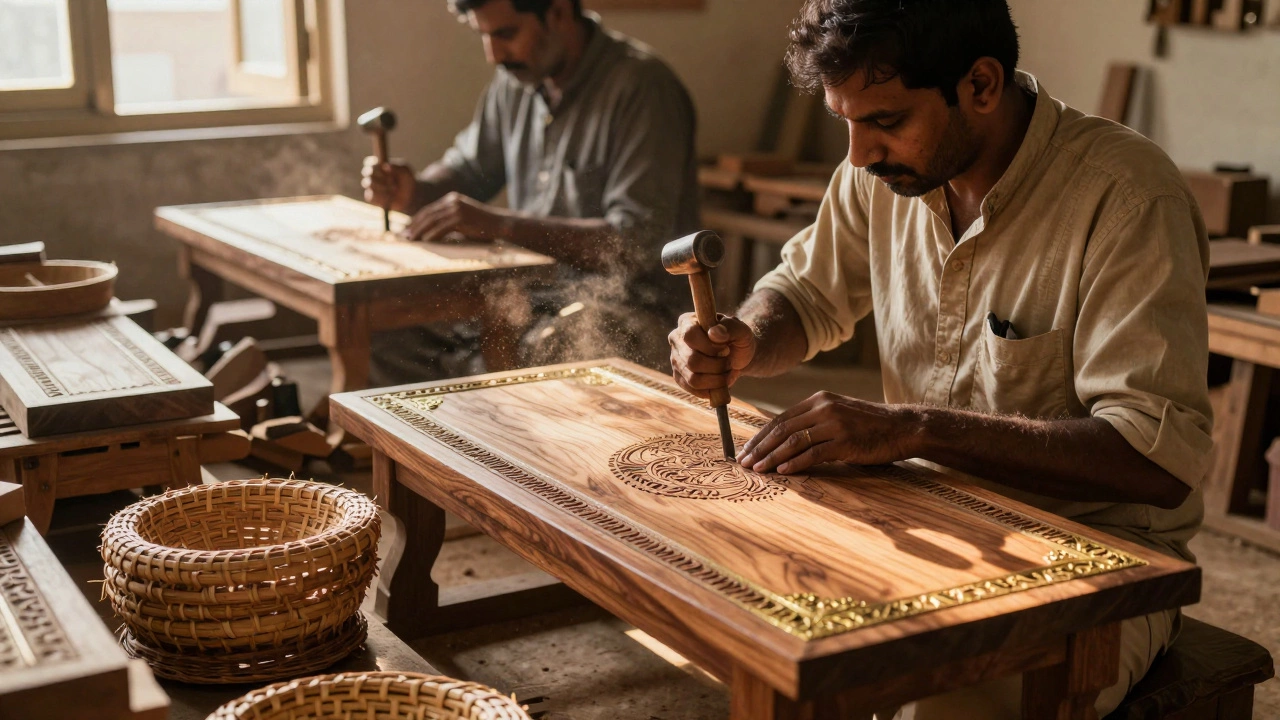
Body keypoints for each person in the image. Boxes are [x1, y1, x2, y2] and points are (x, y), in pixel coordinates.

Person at [668, 1, 1212, 717]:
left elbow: (1157, 461)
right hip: (926, 502)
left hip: (1097, 551)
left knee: (940, 702)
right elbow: (805, 293)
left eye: (886, 122)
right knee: (739, 604)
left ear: (981, 85)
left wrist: (915, 429)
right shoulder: (880, 172)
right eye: (847, 123)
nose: (859, 154)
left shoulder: (1127, 197)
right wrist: (748, 336)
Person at [363, 0, 698, 382]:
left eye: (506, 34)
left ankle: (484, 429)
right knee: (387, 326)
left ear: (557, 12)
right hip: (532, 295)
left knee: (560, 346)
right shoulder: (516, 81)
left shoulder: (642, 87)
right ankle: (452, 436)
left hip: (634, 309)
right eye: (484, 36)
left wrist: (500, 226)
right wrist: (414, 191)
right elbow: (468, 172)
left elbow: (632, 245)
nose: (493, 55)